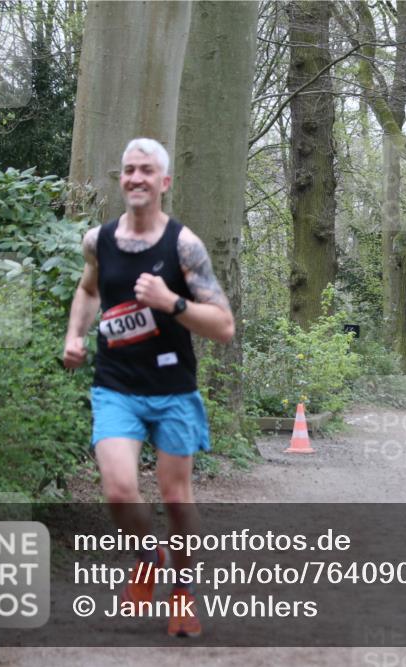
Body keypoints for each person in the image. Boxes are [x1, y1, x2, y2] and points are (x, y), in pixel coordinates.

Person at [63, 137, 235, 638]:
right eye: (128, 170)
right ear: (122, 179)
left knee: (176, 497)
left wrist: (171, 303)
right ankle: (147, 556)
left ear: (164, 182)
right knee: (118, 487)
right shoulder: (99, 240)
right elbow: (89, 288)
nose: (136, 178)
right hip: (115, 385)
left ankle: (182, 592)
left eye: (146, 171)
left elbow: (223, 326)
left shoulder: (184, 246)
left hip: (174, 389)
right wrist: (75, 335)